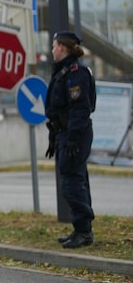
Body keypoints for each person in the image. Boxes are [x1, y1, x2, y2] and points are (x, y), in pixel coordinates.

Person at [45, 31, 96, 249]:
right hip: (65, 134)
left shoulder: (76, 73)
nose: (52, 49)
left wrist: (73, 138)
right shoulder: (63, 72)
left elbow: (80, 108)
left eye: (55, 45)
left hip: (75, 134)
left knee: (71, 182)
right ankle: (82, 229)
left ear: (63, 48)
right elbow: (59, 108)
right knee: (76, 180)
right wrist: (54, 135)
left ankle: (83, 230)